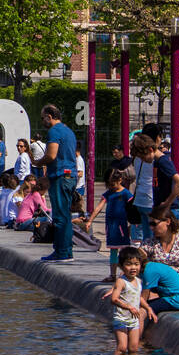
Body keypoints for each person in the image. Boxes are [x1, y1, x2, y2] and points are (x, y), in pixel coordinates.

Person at [35, 105, 77, 262]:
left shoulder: (54, 131)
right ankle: (65, 250)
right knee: (65, 214)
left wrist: (39, 163)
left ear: (50, 116)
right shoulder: (68, 130)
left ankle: (62, 251)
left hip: (60, 177)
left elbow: (51, 155)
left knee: (60, 216)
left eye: (43, 117)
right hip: (69, 176)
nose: (42, 121)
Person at [78, 172, 134, 282]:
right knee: (113, 251)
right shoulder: (109, 193)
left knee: (125, 251)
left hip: (121, 226)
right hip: (111, 226)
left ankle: (126, 274)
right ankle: (113, 274)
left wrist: (132, 224)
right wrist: (90, 220)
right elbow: (99, 207)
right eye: (109, 185)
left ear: (120, 180)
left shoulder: (126, 194)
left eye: (113, 184)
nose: (111, 187)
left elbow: (132, 209)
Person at [108, 247, 156, 355]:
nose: (133, 267)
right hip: (121, 319)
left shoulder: (139, 281)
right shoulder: (121, 281)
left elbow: (139, 298)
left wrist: (148, 308)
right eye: (129, 264)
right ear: (121, 266)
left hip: (134, 321)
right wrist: (128, 307)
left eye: (136, 264)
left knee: (134, 348)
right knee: (122, 347)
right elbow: (114, 299)